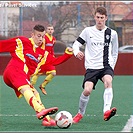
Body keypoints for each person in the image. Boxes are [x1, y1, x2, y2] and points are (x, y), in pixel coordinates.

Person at [0, 25, 73, 126]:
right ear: (32, 35)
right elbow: (2, 45)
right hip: (13, 71)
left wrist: (67, 54)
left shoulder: (43, 54)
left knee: (36, 93)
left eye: (43, 36)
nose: (41, 39)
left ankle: (46, 119)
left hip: (22, 76)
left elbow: (55, 61)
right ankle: (40, 111)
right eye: (38, 36)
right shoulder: (21, 41)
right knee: (27, 89)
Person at [72, 6, 119, 123]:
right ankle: (80, 114)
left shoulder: (112, 33)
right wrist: (76, 52)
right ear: (94, 17)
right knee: (87, 90)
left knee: (108, 82)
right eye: (97, 17)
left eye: (102, 18)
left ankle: (106, 111)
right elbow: (76, 44)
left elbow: (115, 52)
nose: (99, 20)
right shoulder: (87, 31)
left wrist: (111, 67)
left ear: (106, 18)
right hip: (91, 68)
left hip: (105, 66)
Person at [31, 24, 56, 95]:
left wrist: (53, 56)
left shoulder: (53, 39)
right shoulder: (43, 38)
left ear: (53, 30)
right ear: (46, 31)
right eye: (49, 29)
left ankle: (42, 86)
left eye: (51, 29)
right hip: (42, 58)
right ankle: (30, 87)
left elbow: (51, 49)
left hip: (49, 59)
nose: (50, 31)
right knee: (38, 73)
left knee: (53, 73)